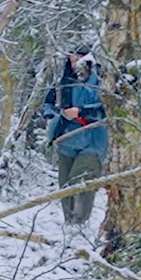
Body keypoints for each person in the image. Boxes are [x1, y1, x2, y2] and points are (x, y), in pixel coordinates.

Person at [42, 45, 108, 225]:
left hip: (94, 140)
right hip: (66, 139)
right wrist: (50, 117)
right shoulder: (63, 81)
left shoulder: (102, 80)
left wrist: (81, 112)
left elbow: (108, 109)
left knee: (83, 181)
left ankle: (81, 223)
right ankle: (69, 224)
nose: (74, 62)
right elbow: (48, 103)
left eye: (78, 58)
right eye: (72, 59)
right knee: (65, 185)